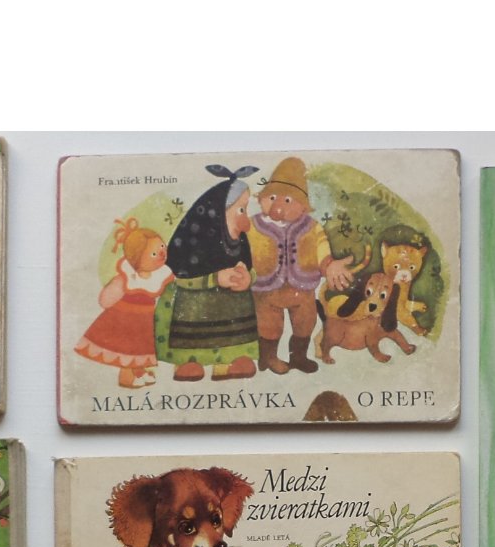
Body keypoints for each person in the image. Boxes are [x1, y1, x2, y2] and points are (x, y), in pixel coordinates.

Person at [247, 156, 354, 374]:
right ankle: (268, 357)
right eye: (272, 198)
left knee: (305, 322)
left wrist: (329, 265)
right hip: (266, 289)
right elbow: (240, 249)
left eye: (288, 200)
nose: (278, 207)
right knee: (269, 324)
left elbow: (322, 249)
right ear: (262, 198)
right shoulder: (251, 227)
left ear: (303, 206)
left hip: (302, 288)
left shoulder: (312, 227)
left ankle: (298, 357)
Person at [163, 165, 259, 382]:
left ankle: (228, 361)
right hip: (196, 313)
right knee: (193, 338)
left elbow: (251, 269)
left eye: (245, 209)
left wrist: (248, 278)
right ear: (218, 212)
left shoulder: (239, 240)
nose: (245, 218)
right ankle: (189, 361)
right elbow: (182, 279)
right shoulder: (196, 240)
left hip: (231, 315)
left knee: (231, 338)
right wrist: (215, 278)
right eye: (240, 210)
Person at [74, 218, 173, 388]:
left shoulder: (159, 275)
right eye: (154, 254)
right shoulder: (127, 277)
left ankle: (139, 371)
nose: (162, 254)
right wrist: (109, 297)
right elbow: (106, 299)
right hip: (125, 321)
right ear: (136, 258)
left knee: (141, 347)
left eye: (162, 247)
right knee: (127, 348)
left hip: (144, 321)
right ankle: (126, 377)